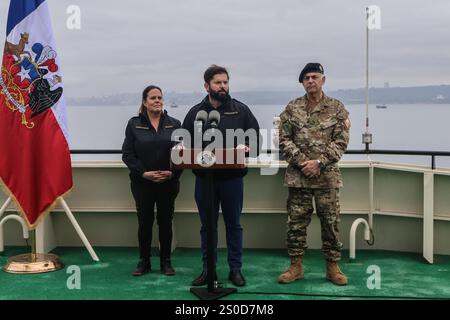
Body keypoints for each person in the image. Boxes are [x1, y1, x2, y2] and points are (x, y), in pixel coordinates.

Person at [182, 65, 260, 287]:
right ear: (207, 86)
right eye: (218, 82)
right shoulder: (195, 113)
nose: (223, 86)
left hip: (232, 181)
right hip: (204, 181)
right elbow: (184, 145)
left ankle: (235, 270)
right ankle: (208, 270)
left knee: (233, 225)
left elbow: (256, 143)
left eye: (225, 82)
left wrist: (247, 147)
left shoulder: (241, 111)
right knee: (208, 226)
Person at [277, 63, 351, 286]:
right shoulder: (292, 108)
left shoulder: (337, 108)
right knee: (296, 223)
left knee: (331, 223)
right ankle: (295, 266)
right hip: (299, 178)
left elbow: (341, 140)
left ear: (323, 80)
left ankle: (332, 267)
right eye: (306, 78)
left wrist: (319, 163)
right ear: (302, 82)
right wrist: (303, 163)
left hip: (326, 177)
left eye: (315, 77)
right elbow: (283, 139)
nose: (311, 81)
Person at [122, 85, 182, 276]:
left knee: (165, 222)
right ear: (144, 102)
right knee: (144, 222)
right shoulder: (134, 124)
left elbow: (182, 155)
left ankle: (166, 262)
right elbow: (128, 155)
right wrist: (144, 173)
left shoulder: (175, 124)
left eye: (160, 97)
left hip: (168, 183)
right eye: (153, 98)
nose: (157, 101)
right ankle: (144, 261)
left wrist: (172, 174)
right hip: (143, 184)